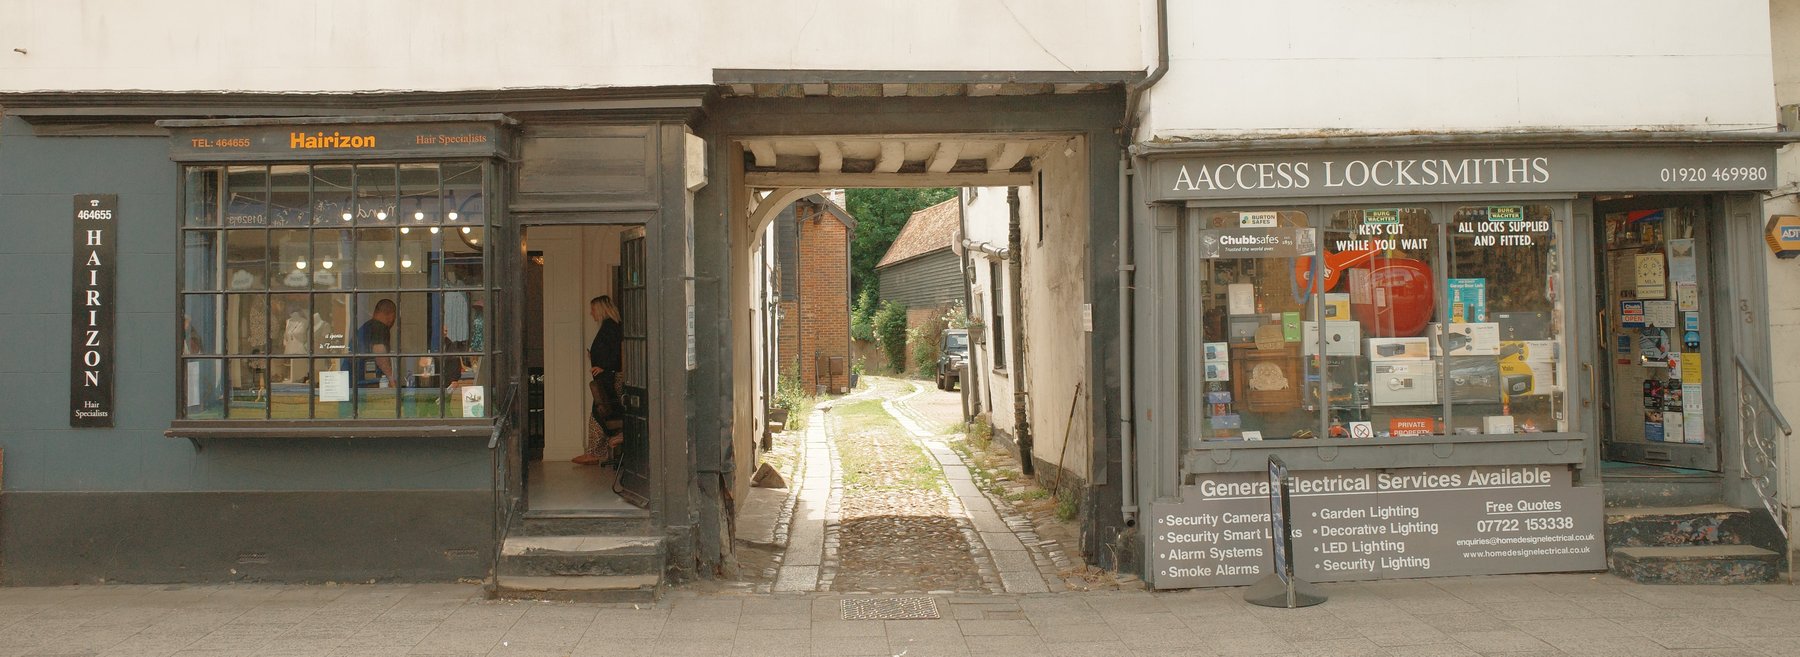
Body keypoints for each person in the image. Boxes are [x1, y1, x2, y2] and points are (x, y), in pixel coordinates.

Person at [575, 295, 624, 465]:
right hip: (605, 377)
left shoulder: (610, 327)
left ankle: (602, 447)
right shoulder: (608, 326)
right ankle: (599, 449)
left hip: (609, 378)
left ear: (601, 309)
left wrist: (605, 366)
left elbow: (619, 353)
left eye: (593, 309)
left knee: (601, 411)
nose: (591, 313)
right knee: (601, 411)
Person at [354, 299, 398, 388]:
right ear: (391, 315)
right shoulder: (380, 328)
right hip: (367, 384)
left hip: (356, 381)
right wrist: (391, 379)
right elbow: (380, 354)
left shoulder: (365, 327)